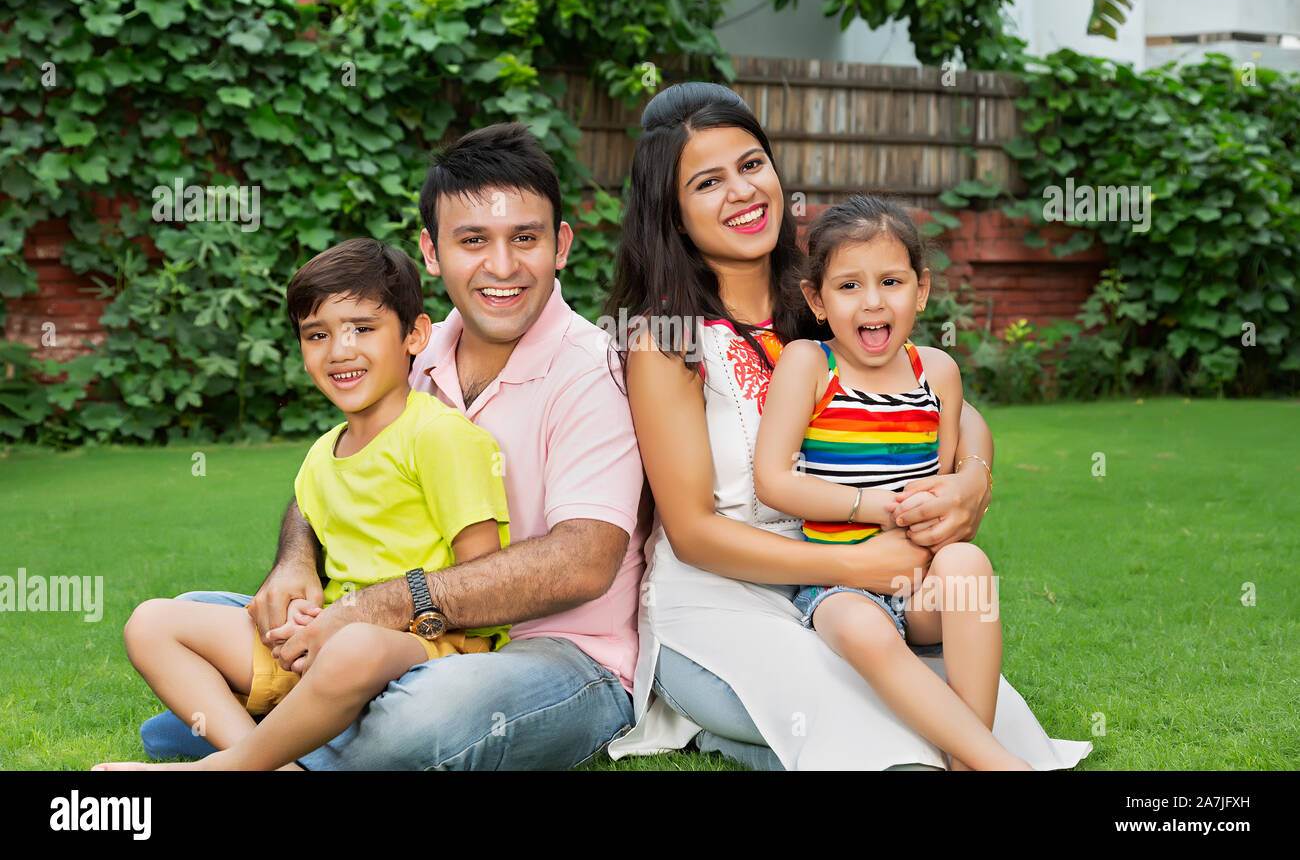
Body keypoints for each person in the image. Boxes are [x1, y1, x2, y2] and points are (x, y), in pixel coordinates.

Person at [604, 81, 1092, 770]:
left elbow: (956, 410)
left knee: (974, 714)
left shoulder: (827, 305)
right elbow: (694, 533)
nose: (742, 192)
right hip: (722, 602)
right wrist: (853, 562)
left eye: (751, 165)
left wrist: (970, 483)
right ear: (673, 214)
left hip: (861, 580)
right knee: (878, 726)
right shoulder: (668, 341)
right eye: (707, 182)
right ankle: (724, 721)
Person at [136, 123, 647, 769]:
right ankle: (286, 736)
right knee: (184, 615)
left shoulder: (593, 370)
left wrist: (374, 605)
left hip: (557, 652)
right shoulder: (413, 348)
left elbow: (583, 563)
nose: (502, 266)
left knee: (426, 717)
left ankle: (252, 735)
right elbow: (338, 467)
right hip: (400, 639)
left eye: (525, 238)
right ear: (432, 253)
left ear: (561, 245)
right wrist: (294, 561)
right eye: (472, 241)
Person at [97, 239, 513, 770]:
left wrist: (360, 626)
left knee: (355, 647)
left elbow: (482, 585)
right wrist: (301, 615)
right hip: (324, 644)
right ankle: (269, 761)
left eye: (363, 328)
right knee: (151, 623)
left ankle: (223, 767)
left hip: (430, 648)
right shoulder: (322, 454)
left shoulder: (438, 436)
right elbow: (328, 567)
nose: (339, 350)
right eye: (317, 334)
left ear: (415, 334)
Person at [752, 195, 1029, 770]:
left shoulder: (939, 373)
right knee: (858, 624)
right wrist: (869, 507)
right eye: (848, 286)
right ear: (816, 299)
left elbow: (949, 478)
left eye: (891, 281)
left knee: (970, 567)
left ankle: (965, 757)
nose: (872, 302)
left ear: (921, 290)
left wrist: (948, 497)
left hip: (919, 581)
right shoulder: (810, 365)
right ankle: (996, 762)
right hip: (839, 583)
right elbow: (772, 481)